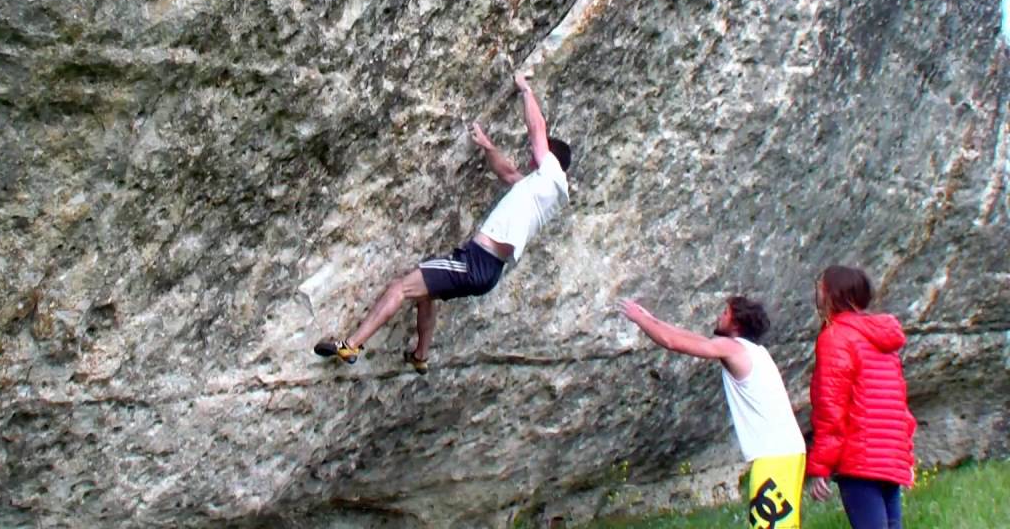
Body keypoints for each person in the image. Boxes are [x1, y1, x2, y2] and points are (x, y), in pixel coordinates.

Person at [314, 72, 570, 374]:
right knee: (426, 292)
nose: (531, 157)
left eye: (537, 154)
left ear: (550, 158)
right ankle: (420, 355)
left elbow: (537, 129)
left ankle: (351, 344)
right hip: (487, 269)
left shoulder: (551, 173)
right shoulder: (543, 189)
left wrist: (525, 89)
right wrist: (488, 147)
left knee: (401, 287)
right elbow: (508, 174)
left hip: (475, 262)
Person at [621, 296, 806, 529]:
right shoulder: (754, 351)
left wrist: (638, 319)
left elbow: (672, 342)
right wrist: (652, 320)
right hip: (787, 453)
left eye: (725, 313)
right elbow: (691, 338)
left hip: (775, 457)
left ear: (736, 323)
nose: (720, 316)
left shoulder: (733, 348)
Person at [807, 265, 916, 529]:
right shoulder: (882, 339)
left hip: (859, 457)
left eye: (820, 287)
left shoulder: (835, 337)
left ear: (833, 293)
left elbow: (831, 408)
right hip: (890, 454)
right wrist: (906, 455)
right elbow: (899, 404)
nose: (817, 293)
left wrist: (820, 466)